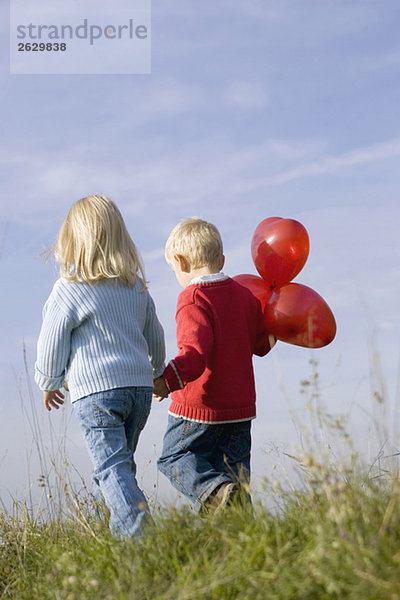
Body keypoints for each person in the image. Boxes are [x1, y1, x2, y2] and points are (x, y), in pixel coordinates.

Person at [35, 194, 165, 538]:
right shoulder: (136, 287)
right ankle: (104, 537)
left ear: (72, 242)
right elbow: (155, 334)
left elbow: (52, 340)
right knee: (117, 467)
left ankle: (141, 540)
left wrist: (49, 380)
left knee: (112, 467)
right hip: (138, 391)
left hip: (97, 393)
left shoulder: (70, 288)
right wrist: (157, 372)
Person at [154, 217, 274, 512]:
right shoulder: (245, 297)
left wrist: (165, 381)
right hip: (239, 412)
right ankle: (248, 545)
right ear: (221, 259)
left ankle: (215, 491)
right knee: (236, 482)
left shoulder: (193, 298)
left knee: (174, 459)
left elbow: (194, 357)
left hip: (198, 409)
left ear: (180, 263)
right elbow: (261, 346)